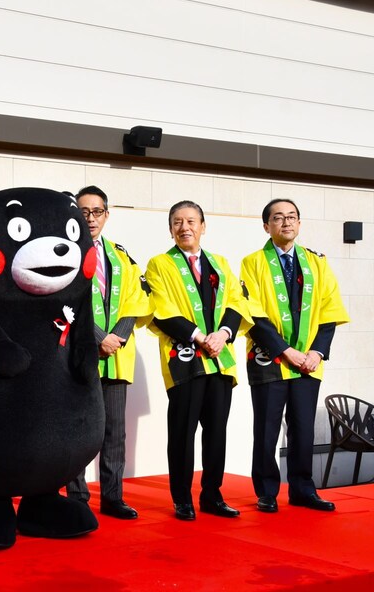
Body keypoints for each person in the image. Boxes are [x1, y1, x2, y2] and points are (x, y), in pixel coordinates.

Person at [241, 199, 349, 513]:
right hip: (270, 358)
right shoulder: (253, 262)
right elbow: (253, 313)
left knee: (302, 427)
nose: (286, 223)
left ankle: (303, 489)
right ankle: (266, 491)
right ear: (266, 226)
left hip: (308, 361)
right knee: (266, 428)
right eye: (278, 218)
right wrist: (286, 351)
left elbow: (330, 310)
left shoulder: (317, 263)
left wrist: (316, 352)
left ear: (299, 224)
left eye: (292, 217)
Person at [145, 200, 250, 521]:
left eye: (191, 221)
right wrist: (198, 336)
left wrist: (225, 333)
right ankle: (182, 499)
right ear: (170, 229)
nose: (184, 227)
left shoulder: (219, 263)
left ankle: (212, 495)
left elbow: (236, 301)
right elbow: (159, 309)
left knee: (216, 432)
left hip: (220, 359)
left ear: (203, 226)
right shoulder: (159, 264)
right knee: (182, 432)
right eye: (177, 222)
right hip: (185, 359)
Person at [66, 186, 152, 520]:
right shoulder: (65, 251)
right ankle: (76, 495)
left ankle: (113, 497)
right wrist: (97, 337)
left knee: (115, 431)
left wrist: (119, 335)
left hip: (117, 355)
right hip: (80, 356)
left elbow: (137, 298)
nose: (90, 218)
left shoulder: (120, 255)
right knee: (78, 428)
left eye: (96, 211)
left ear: (107, 214)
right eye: (83, 212)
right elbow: (66, 302)